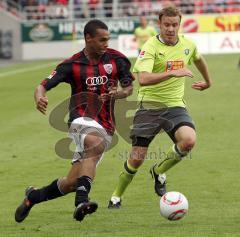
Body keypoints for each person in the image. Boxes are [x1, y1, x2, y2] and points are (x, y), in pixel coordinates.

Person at [14, 19, 134, 222]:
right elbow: (42, 85)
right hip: (80, 119)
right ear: (88, 38)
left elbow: (129, 88)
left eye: (108, 39)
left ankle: (33, 197)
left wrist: (118, 94)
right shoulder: (72, 64)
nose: (106, 44)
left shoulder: (117, 60)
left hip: (107, 126)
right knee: (94, 143)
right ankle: (81, 201)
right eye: (102, 40)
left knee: (71, 182)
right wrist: (39, 97)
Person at [108, 6, 212, 208]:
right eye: (167, 24)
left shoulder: (188, 44)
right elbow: (143, 79)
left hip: (175, 105)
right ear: (160, 24)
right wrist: (172, 73)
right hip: (149, 106)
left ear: (179, 24)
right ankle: (116, 196)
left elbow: (199, 59)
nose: (171, 29)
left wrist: (208, 82)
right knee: (136, 159)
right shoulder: (150, 46)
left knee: (188, 141)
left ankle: (158, 171)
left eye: (175, 25)